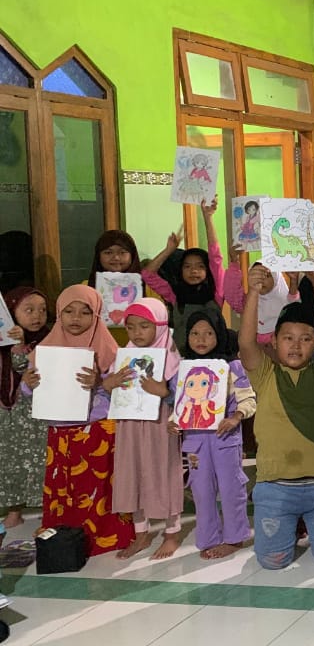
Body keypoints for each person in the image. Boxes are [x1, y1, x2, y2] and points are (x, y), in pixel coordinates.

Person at [238, 261, 314, 570]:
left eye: (305, 338)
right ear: (274, 342)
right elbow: (246, 342)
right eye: (288, 337)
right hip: (275, 487)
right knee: (273, 563)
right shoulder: (264, 374)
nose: (296, 345)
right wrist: (252, 292)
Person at [23, 285, 134, 555]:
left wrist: (100, 383)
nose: (76, 318)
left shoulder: (108, 347)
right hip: (60, 431)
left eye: (85, 312)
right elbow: (29, 391)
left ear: (96, 315)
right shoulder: (46, 348)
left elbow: (123, 389)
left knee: (97, 485)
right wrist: (28, 384)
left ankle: (103, 536)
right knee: (64, 485)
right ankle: (64, 539)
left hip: (98, 428)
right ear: (59, 314)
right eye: (68, 311)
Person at [172, 309, 255, 560]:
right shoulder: (183, 369)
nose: (201, 339)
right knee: (200, 490)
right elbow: (181, 403)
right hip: (194, 443)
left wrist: (236, 417)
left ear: (219, 334)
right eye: (195, 333)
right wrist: (172, 422)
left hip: (225, 439)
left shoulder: (232, 367)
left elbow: (249, 400)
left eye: (208, 333)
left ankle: (235, 537)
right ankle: (207, 538)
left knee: (231, 489)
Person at [111, 298, 185, 560]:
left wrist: (164, 391)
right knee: (133, 472)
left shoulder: (172, 357)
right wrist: (110, 382)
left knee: (163, 471)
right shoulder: (125, 354)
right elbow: (108, 388)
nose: (137, 333)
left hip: (159, 425)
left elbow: (185, 396)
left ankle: (171, 533)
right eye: (131, 327)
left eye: (144, 326)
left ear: (161, 326)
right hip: (129, 426)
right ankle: (140, 532)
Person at [142, 199, 226, 352]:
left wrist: (208, 217)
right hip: (181, 359)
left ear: (207, 272)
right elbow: (147, 274)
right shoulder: (175, 294)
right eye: (187, 267)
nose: (194, 271)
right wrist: (169, 250)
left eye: (200, 267)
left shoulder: (216, 293)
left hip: (213, 359)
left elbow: (216, 257)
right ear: (180, 271)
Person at [0, 287, 49, 530]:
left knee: (40, 459)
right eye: (28, 310)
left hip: (36, 414)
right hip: (9, 415)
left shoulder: (47, 339)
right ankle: (14, 508)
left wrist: (19, 344)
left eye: (42, 310)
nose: (36, 316)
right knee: (10, 460)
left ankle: (46, 505)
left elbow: (23, 367)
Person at [85, 229, 163, 346]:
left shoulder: (147, 287)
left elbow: (160, 319)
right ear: (98, 256)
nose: (116, 258)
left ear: (132, 255)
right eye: (108, 252)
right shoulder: (85, 287)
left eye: (122, 252)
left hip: (139, 351)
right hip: (98, 350)